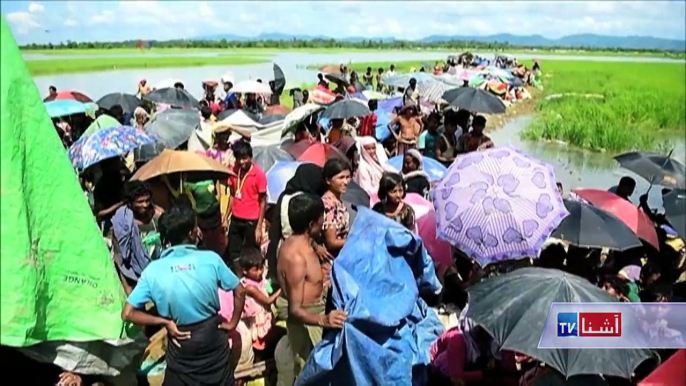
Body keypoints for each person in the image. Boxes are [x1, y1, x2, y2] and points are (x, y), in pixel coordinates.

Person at [122, 205, 246, 386]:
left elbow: (128, 313)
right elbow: (240, 291)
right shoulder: (211, 259)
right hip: (212, 340)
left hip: (181, 344)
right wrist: (233, 322)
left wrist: (165, 322)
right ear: (191, 233)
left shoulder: (153, 271)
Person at [276, 193, 348, 377]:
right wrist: (325, 320)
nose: (323, 223)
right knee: (312, 370)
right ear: (311, 225)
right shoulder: (297, 259)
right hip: (307, 320)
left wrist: (317, 247)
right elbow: (295, 310)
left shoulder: (296, 241)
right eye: (321, 220)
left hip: (316, 310)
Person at [112, 181, 163, 294]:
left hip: (159, 271)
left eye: (147, 200)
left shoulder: (158, 216)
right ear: (130, 203)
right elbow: (119, 256)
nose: (145, 205)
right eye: (140, 202)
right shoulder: (122, 221)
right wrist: (127, 286)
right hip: (134, 274)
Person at [228, 141, 268, 266]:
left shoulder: (259, 175)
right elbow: (232, 195)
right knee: (233, 250)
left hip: (251, 220)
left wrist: (259, 227)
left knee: (250, 250)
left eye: (245, 158)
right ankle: (238, 277)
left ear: (250, 157)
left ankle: (252, 277)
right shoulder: (233, 171)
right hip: (235, 218)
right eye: (239, 158)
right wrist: (226, 217)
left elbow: (262, 202)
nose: (242, 162)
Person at [236, 247, 281, 350]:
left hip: (265, 314)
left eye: (261, 267)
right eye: (255, 269)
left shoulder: (259, 279)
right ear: (245, 271)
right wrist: (281, 290)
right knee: (261, 340)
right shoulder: (249, 287)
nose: (260, 272)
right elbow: (267, 300)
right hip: (258, 319)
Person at [322, 158, 352, 256]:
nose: (346, 182)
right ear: (328, 180)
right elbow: (331, 242)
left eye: (348, 177)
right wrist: (356, 240)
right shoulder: (329, 205)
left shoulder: (337, 201)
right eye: (341, 177)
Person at [92, 157, 128, 233]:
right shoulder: (101, 187)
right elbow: (99, 213)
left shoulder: (120, 182)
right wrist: (119, 204)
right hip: (109, 224)